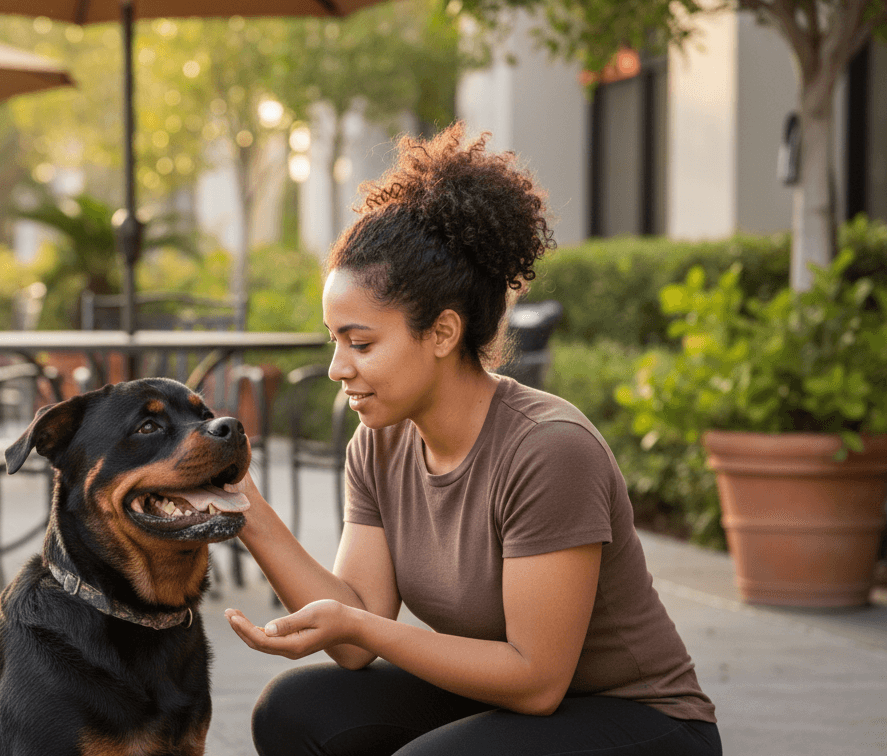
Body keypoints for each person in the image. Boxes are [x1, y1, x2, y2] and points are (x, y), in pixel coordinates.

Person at [222, 123, 721, 756]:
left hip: (640, 720)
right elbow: (352, 638)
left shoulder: (548, 451)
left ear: (442, 332)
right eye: (334, 341)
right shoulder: (378, 444)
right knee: (296, 710)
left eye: (361, 343)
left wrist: (362, 627)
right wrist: (246, 509)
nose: (337, 368)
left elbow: (536, 681)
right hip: (507, 699)